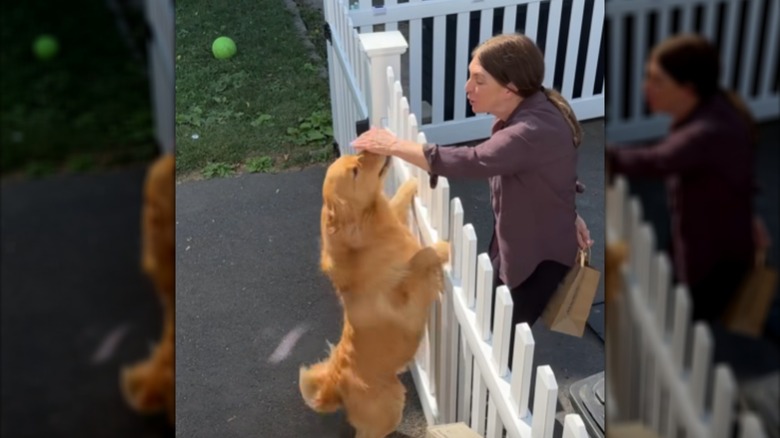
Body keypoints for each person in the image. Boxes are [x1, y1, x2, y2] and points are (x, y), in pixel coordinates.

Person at [352, 33, 593, 365]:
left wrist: (393, 146)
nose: (467, 87)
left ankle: (499, 402)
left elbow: (473, 161)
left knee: (502, 340)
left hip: (537, 259)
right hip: (517, 242)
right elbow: (552, 169)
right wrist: (571, 214)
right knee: (491, 321)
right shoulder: (534, 110)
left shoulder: (528, 131)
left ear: (510, 88)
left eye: (479, 80)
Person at [606, 34, 771, 322]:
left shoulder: (704, 133)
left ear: (687, 89)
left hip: (711, 252)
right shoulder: (719, 108)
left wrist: (610, 157)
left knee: (702, 319)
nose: (647, 87)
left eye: (658, 80)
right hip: (723, 233)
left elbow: (656, 160)